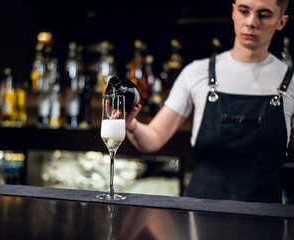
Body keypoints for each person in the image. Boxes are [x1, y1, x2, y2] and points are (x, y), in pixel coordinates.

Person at [125, 0, 293, 203]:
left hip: (265, 222)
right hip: (201, 218)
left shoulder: (290, 82)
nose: (251, 22)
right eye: (244, 11)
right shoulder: (197, 73)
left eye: (264, 15)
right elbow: (153, 138)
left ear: (281, 21)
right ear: (233, 12)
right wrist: (131, 125)